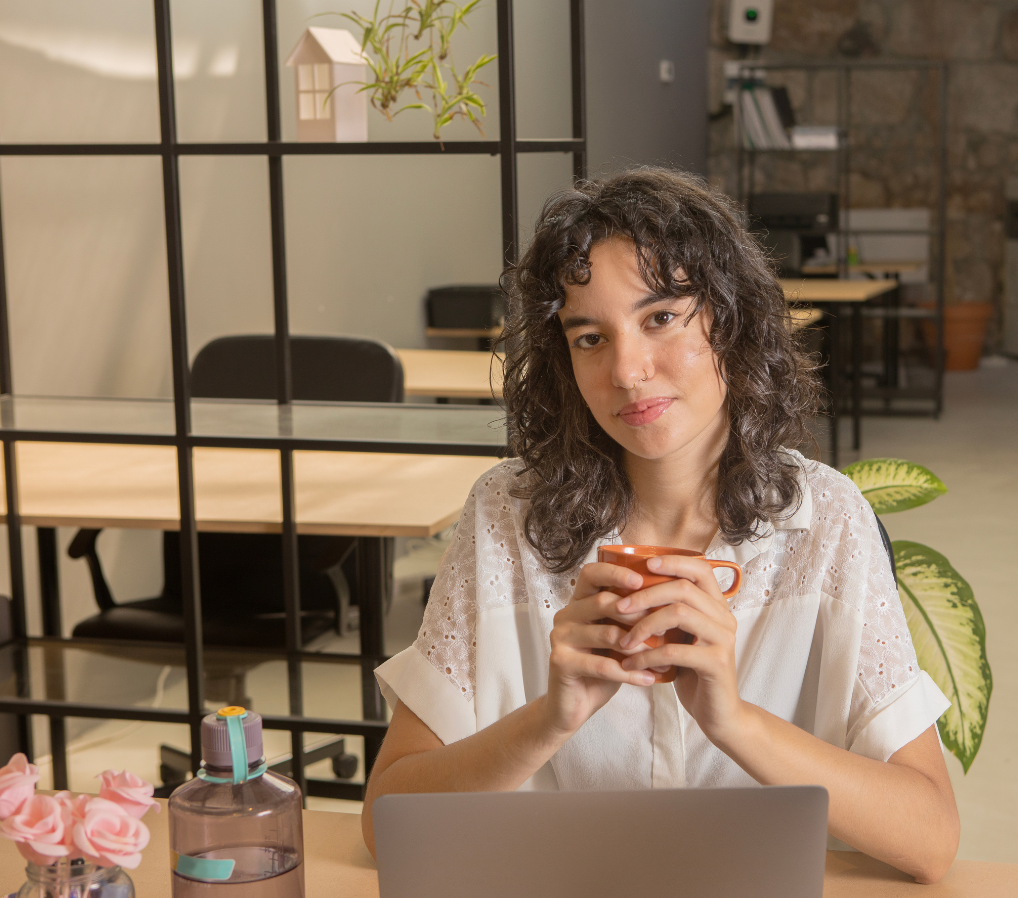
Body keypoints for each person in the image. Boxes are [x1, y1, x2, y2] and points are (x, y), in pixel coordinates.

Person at [363, 168, 959, 883]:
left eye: (660, 318)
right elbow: (386, 819)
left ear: (729, 319)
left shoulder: (827, 523)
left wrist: (734, 720)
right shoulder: (504, 518)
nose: (628, 370)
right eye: (589, 337)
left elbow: (930, 838)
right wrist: (552, 717)